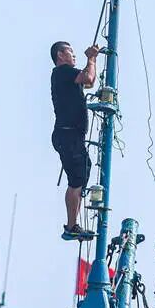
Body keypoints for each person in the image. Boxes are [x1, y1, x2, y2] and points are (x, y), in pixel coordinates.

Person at [50, 40, 100, 240]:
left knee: (83, 172)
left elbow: (89, 82)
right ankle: (71, 226)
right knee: (77, 178)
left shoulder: (68, 75)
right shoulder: (62, 72)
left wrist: (91, 61)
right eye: (70, 51)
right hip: (68, 134)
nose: (74, 55)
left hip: (71, 135)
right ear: (60, 55)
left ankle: (74, 224)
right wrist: (91, 59)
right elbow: (88, 77)